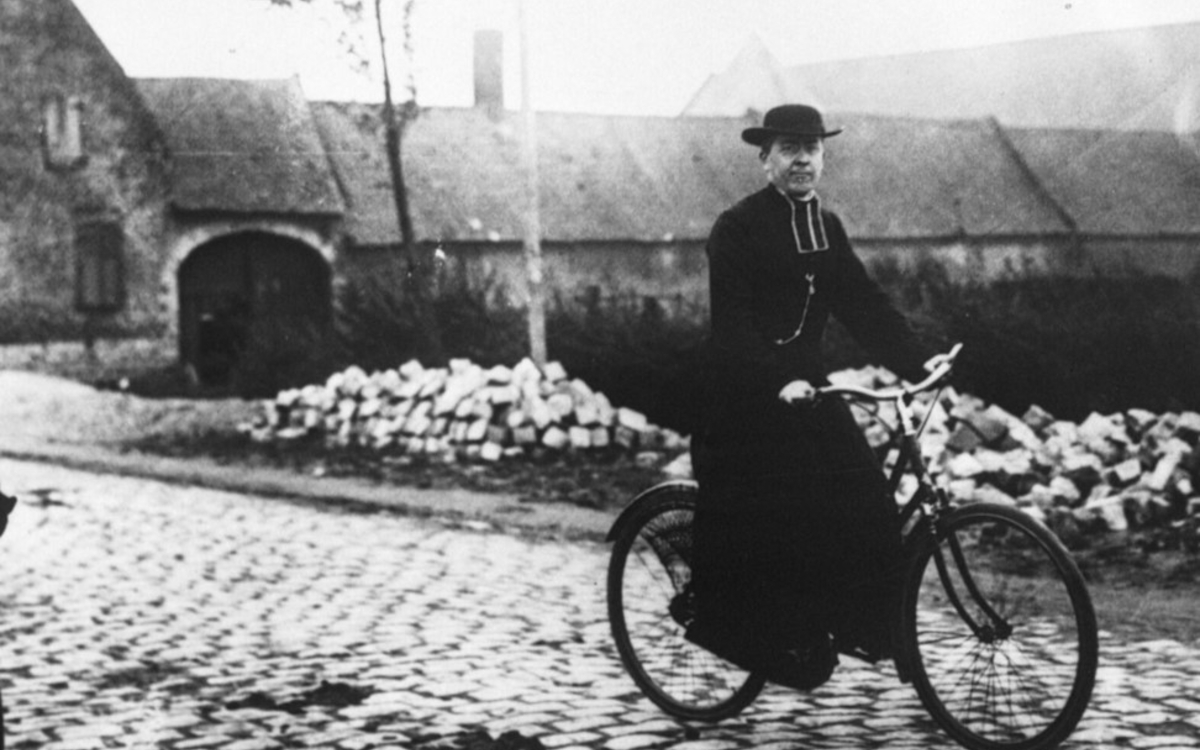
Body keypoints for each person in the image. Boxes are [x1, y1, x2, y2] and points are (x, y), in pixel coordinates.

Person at [686, 104, 937, 690]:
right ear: (765, 158)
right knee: (786, 511)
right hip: (745, 392)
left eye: (813, 149)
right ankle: (771, 637)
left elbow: (863, 304)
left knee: (866, 491)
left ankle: (859, 628)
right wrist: (777, 380)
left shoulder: (827, 226)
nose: (803, 159)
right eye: (789, 148)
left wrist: (917, 361)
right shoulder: (737, 226)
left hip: (807, 388)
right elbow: (735, 326)